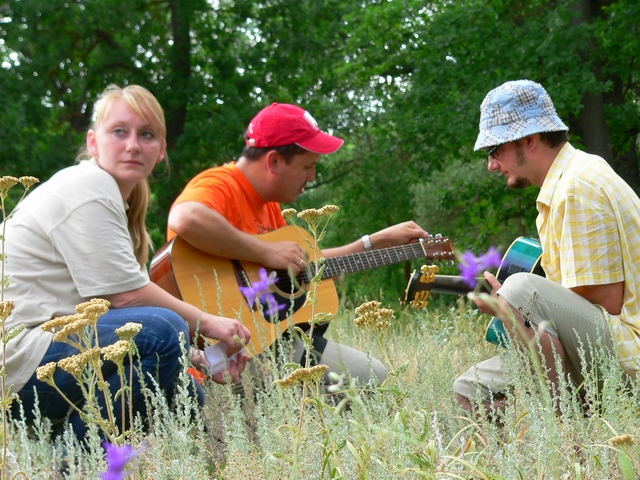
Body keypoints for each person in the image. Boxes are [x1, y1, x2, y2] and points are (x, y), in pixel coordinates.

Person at [3, 84, 251, 442]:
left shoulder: (113, 198)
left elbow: (112, 309)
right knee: (164, 330)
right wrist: (211, 323)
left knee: (186, 393)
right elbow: (127, 298)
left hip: (45, 352)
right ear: (93, 142)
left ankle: (86, 451)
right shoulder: (89, 185)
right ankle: (73, 462)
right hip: (18, 359)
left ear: (161, 149)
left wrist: (198, 358)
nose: (133, 145)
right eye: (119, 131)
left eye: (146, 134)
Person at [166, 102, 429, 386]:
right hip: (219, 352)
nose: (312, 177)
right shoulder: (220, 184)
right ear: (274, 162)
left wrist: (374, 242)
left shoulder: (269, 206)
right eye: (308, 166)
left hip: (266, 344)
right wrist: (265, 251)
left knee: (372, 374)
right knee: (365, 378)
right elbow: (185, 217)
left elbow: (303, 265)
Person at [454, 79, 640, 414]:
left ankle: (564, 429)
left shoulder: (577, 186)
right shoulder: (568, 181)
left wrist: (508, 306)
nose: (491, 164)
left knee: (520, 289)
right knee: (470, 388)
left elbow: (608, 301)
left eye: (494, 150)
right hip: (606, 346)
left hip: (630, 353)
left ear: (529, 140)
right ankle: (529, 446)